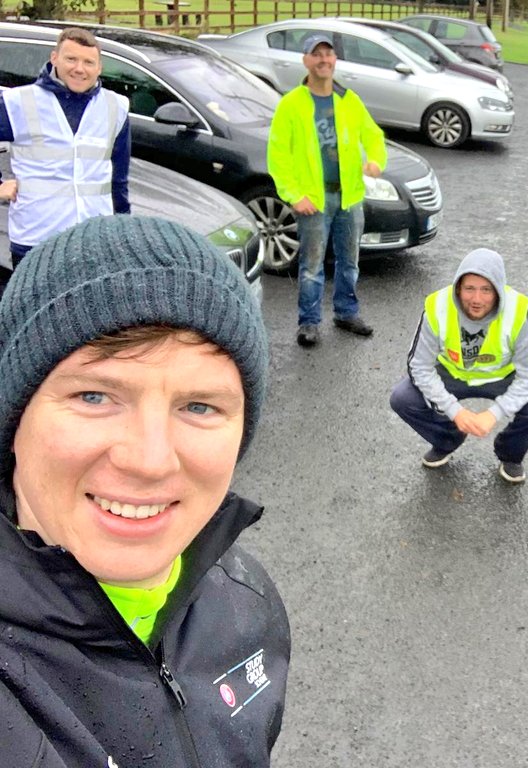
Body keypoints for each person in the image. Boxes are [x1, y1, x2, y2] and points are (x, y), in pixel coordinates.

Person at [0, 215, 290, 764]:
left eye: (199, 406)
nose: (150, 460)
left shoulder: (246, 599)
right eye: (94, 396)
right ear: (14, 420)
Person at [390, 248, 528, 484]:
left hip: (501, 377)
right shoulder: (437, 306)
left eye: (486, 290)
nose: (476, 299)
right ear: (458, 287)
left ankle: (510, 454)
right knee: (402, 398)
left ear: (498, 291)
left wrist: (494, 414)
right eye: (469, 288)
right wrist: (455, 412)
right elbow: (419, 367)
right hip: (452, 373)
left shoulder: (518, 310)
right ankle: (448, 439)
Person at [268, 33, 387, 347]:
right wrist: (295, 195)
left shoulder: (348, 99)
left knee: (350, 261)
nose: (324, 60)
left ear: (335, 60)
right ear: (306, 61)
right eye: (316, 54)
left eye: (328, 54)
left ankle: (346, 312)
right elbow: (277, 157)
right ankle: (309, 322)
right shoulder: (291, 104)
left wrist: (376, 160)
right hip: (314, 200)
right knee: (312, 265)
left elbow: (373, 135)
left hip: (349, 197)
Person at [0, 27, 130, 297]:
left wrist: (123, 231)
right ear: (55, 58)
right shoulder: (18, 102)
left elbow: (118, 179)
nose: (79, 69)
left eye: (88, 62)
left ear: (99, 67)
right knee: (34, 320)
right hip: (36, 240)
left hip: (94, 242)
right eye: (71, 59)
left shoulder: (115, 107)